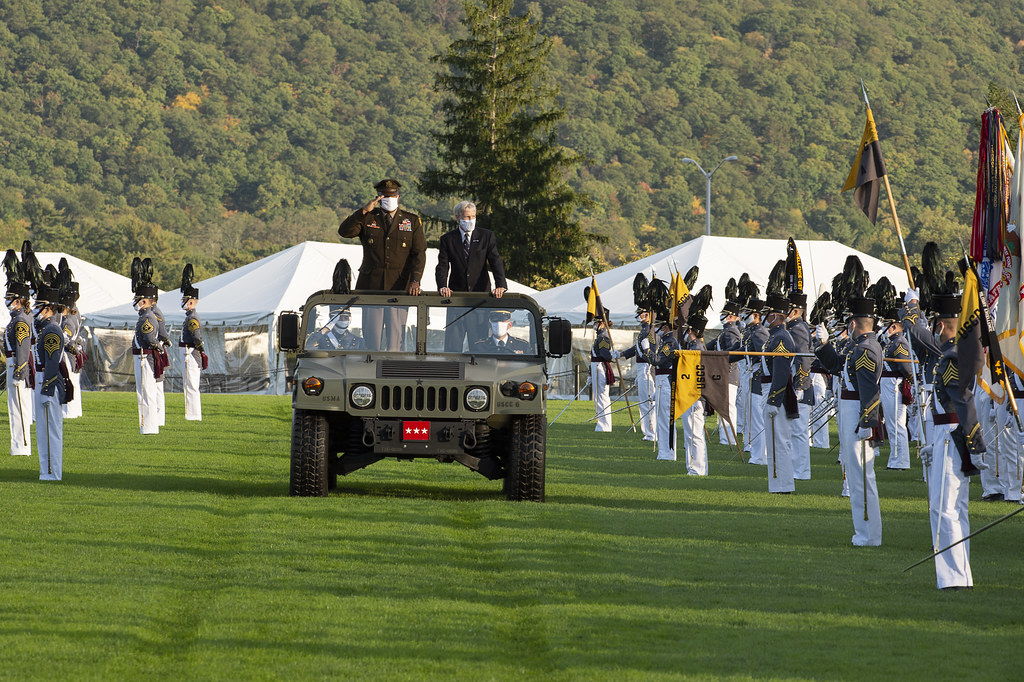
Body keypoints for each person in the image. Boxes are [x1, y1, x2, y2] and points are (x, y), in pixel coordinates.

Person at [902, 291, 986, 589]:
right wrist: (933, 443)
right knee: (953, 508)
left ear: (940, 325)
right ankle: (959, 574)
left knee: (944, 508)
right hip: (946, 435)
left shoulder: (951, 356)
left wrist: (974, 443)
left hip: (952, 436)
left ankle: (954, 578)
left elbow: (962, 402)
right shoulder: (953, 354)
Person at [814, 297, 883, 545]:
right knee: (855, 476)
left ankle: (868, 535)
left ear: (853, 324)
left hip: (857, 417)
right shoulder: (860, 347)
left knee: (861, 477)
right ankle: (863, 532)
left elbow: (869, 392)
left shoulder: (865, 350)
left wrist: (867, 424)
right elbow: (836, 367)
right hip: (851, 413)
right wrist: (823, 345)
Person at [338, 178, 426, 351]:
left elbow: (419, 254)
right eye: (384, 196)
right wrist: (363, 211)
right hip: (372, 287)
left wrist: (415, 280)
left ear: (398, 197)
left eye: (391, 196)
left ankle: (393, 374)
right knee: (372, 341)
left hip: (399, 287)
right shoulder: (368, 218)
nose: (388, 199)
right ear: (377, 198)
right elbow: (344, 232)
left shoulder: (411, 221)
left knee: (395, 342)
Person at [436, 200, 508, 351]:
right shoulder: (447, 239)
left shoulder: (486, 236)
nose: (470, 220)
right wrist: (443, 286)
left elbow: (495, 261)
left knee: (479, 346)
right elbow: (442, 265)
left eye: (473, 216)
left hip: (479, 300)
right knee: (452, 346)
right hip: (456, 299)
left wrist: (500, 285)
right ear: (458, 217)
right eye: (467, 217)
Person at [33, 281, 71, 480]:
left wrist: (46, 391)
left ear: (48, 309)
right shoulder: (44, 329)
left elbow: (52, 363)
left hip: (48, 383)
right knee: (43, 430)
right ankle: (46, 471)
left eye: (38, 306)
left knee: (50, 431)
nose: (35, 309)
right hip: (41, 380)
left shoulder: (52, 331)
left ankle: (51, 473)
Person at [762, 294, 796, 493]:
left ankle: (783, 484)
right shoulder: (775, 336)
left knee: (779, 440)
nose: (765, 317)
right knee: (774, 440)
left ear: (775, 315)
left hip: (778, 393)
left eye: (768, 314)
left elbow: (781, 371)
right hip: (772, 390)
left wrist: (774, 400)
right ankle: (778, 483)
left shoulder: (781, 338)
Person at [4, 267, 34, 457]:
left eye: (10, 298)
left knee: (19, 408)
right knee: (13, 408)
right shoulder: (16, 319)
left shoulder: (21, 320)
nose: (7, 301)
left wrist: (19, 371)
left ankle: (22, 445)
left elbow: (23, 348)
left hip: (16, 365)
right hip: (11, 363)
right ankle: (17, 445)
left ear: (18, 301)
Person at [131, 259, 163, 435]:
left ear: (145, 301)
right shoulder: (145, 316)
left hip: (144, 357)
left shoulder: (147, 317)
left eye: (139, 299)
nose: (136, 302)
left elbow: (150, 338)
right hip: (142, 356)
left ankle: (149, 427)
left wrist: (157, 347)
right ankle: (148, 426)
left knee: (146, 392)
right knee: (145, 392)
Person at [617, 309, 657, 441]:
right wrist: (622, 354)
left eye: (641, 314)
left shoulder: (650, 330)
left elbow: (651, 350)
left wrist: (646, 352)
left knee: (647, 402)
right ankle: (648, 432)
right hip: (641, 369)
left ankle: (651, 433)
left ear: (647, 315)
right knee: (644, 402)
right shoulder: (644, 330)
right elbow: (636, 348)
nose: (637, 316)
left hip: (646, 367)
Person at [787, 291, 813, 480]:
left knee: (799, 430)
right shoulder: (794, 327)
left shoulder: (798, 328)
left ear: (795, 311)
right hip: (796, 383)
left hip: (800, 384)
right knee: (794, 430)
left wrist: (800, 385)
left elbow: (803, 358)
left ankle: (801, 471)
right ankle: (796, 468)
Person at [708, 300, 742, 446]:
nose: (721, 316)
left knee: (728, 407)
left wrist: (719, 359)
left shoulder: (731, 331)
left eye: (724, 314)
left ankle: (729, 438)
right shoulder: (726, 331)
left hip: (728, 373)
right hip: (724, 373)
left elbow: (733, 353)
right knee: (724, 406)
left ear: (730, 316)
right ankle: (725, 437)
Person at [880, 314, 912, 470]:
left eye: (886, 325)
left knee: (897, 424)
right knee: (892, 424)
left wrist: (909, 384)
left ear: (893, 327)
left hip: (894, 384)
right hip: (888, 384)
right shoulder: (891, 343)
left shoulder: (899, 343)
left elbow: (906, 368)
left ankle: (900, 461)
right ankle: (895, 459)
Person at [742, 298, 769, 465]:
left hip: (757, 376)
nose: (743, 315)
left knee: (758, 418)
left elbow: (763, 357)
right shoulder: (751, 331)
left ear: (756, 315)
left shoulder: (759, 333)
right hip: (752, 375)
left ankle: (761, 455)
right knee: (752, 416)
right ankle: (756, 452)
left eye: (747, 313)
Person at [179, 264, 207, 421]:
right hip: (188, 352)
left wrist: (199, 347)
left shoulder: (192, 318)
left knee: (191, 385)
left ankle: (193, 415)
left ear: (192, 301)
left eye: (185, 299)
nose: (183, 302)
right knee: (188, 384)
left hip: (190, 352)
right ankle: (191, 414)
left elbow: (196, 336)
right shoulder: (189, 316)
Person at [650, 318, 681, 461]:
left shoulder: (670, 343)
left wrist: (645, 349)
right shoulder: (664, 342)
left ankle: (668, 453)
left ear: (666, 327)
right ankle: (664, 452)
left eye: (658, 325)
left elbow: (657, 360)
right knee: (661, 418)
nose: (656, 328)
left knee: (666, 418)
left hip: (667, 382)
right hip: (661, 381)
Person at [682, 313, 708, 475]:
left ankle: (697, 468)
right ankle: (694, 467)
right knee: (691, 435)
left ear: (691, 331)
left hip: (695, 396)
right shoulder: (694, 347)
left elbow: (696, 376)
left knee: (694, 435)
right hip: (690, 395)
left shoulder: (697, 349)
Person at [59, 279, 84, 419]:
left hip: (68, 354)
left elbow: (65, 339)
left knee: (68, 381)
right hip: (72, 353)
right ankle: (72, 412)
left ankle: (68, 413)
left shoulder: (68, 320)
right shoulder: (74, 314)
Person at [589, 315, 614, 432]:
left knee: (601, 396)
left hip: (600, 368)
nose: (595, 325)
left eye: (597, 323)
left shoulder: (603, 338)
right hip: (596, 367)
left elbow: (605, 355)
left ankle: (604, 426)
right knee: (599, 397)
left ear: (602, 324)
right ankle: (602, 424)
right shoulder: (599, 337)